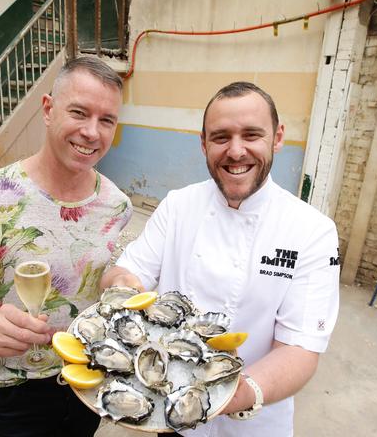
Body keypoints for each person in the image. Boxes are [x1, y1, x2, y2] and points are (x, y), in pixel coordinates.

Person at [101, 81, 340, 437]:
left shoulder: (312, 231)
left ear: (277, 138)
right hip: (169, 413)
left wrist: (230, 394)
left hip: (255, 422)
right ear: (204, 144)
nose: (236, 151)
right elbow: (125, 272)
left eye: (252, 135)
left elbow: (301, 350)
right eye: (221, 137)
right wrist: (122, 288)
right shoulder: (178, 205)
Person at [0, 57, 132, 437]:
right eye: (79, 113)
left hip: (87, 379)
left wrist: (117, 278)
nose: (92, 132)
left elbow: (91, 274)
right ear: (48, 110)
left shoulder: (117, 205)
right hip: (14, 391)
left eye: (106, 120)